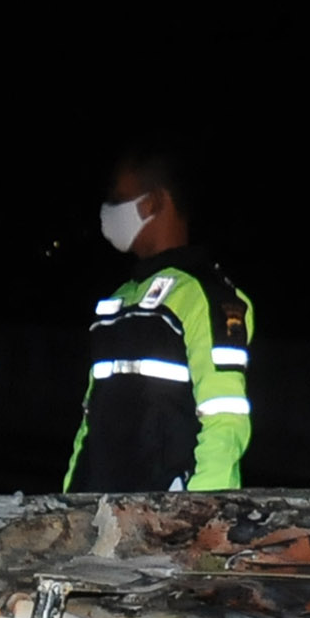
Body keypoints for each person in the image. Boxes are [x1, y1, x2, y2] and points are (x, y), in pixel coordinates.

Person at [66, 148, 253, 494]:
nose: (108, 211)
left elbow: (224, 420)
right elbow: (90, 423)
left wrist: (199, 521)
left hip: (165, 530)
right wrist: (70, 502)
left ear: (151, 203)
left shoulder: (205, 296)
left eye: (119, 199)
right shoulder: (117, 301)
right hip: (99, 523)